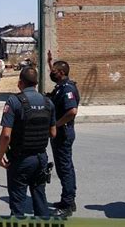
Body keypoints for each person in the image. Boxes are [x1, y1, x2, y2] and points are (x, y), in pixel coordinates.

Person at [0, 67, 56, 217]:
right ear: (36, 83)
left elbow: (5, 135)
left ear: (20, 83)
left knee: (17, 204)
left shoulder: (14, 101)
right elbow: (53, 133)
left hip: (20, 159)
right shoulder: (48, 102)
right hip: (41, 158)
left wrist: (0, 156)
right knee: (40, 198)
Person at [47, 50, 80, 217]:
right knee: (64, 167)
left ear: (61, 73)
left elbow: (72, 111)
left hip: (63, 133)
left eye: (53, 72)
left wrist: (56, 125)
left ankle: (67, 205)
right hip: (61, 133)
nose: (51, 74)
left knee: (65, 168)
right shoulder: (61, 86)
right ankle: (68, 199)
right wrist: (50, 61)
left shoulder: (67, 88)